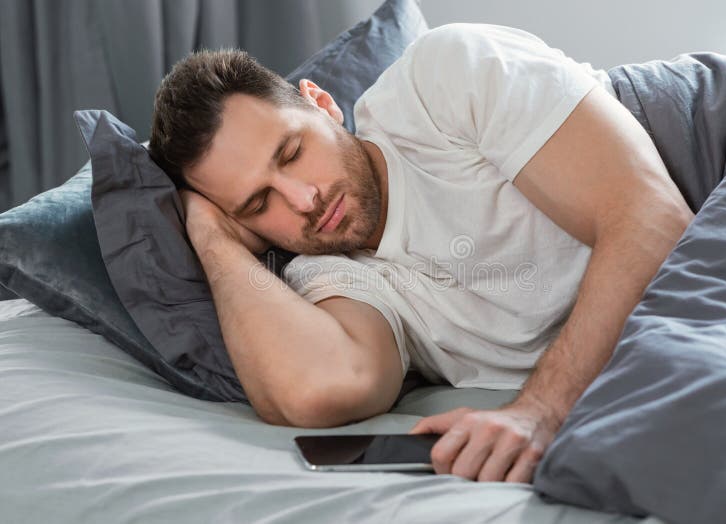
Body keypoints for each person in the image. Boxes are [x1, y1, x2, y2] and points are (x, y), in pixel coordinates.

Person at [147, 23, 694, 484]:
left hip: (724, 170)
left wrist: (541, 411)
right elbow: (318, 391)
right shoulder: (329, 274)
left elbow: (654, 218)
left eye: (292, 153)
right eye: (260, 203)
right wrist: (213, 240)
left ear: (322, 105)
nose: (304, 200)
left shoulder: (440, 82)